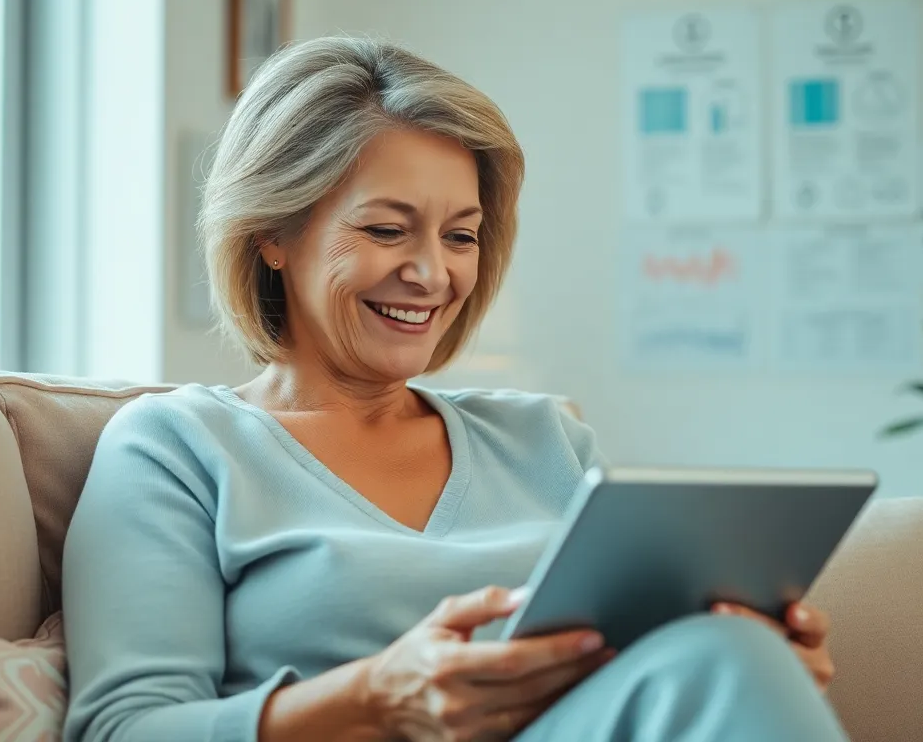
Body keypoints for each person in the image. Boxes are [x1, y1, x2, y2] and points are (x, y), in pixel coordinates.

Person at [61, 36, 846, 742]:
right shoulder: (177, 446)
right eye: (386, 229)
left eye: (461, 236)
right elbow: (121, 730)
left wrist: (742, 654)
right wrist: (375, 695)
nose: (434, 274)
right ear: (273, 232)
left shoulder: (548, 441)